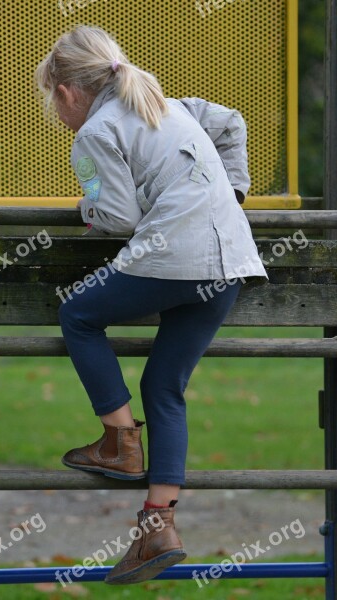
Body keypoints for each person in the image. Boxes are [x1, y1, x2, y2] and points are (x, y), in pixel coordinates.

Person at [34, 25, 269, 585]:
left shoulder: (93, 131)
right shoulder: (166, 100)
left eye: (51, 101)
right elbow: (231, 121)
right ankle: (157, 528)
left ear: (67, 92)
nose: (56, 111)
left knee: (78, 315)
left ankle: (119, 443)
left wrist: (85, 205)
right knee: (163, 384)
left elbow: (117, 219)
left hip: (173, 259)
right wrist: (230, 193)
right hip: (231, 261)